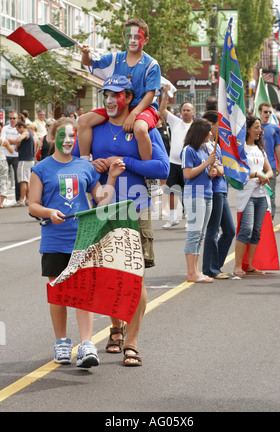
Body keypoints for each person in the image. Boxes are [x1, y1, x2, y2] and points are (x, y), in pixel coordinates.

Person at [83, 74, 169, 365]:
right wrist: (91, 166)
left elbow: (162, 168)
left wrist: (125, 162)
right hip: (104, 208)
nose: (109, 100)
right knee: (109, 274)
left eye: (115, 94)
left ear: (129, 98)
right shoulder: (95, 128)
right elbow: (79, 167)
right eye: (106, 94)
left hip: (137, 208)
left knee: (135, 275)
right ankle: (116, 328)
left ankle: (132, 341)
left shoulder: (144, 127)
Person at [28, 117, 125, 368]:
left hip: (83, 239)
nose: (69, 140)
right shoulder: (41, 169)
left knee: (85, 292)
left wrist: (111, 178)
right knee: (58, 293)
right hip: (54, 240)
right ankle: (61, 341)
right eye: (63, 135)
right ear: (51, 138)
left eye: (72, 136)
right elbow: (33, 205)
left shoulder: (85, 168)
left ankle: (86, 344)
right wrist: (49, 213)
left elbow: (101, 199)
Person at [78, 18, 161, 194]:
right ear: (123, 38)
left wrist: (134, 114)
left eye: (137, 36)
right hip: (120, 105)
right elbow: (88, 63)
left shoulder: (151, 64)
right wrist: (85, 53)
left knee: (139, 128)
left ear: (145, 40)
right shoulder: (115, 58)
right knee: (84, 120)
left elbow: (150, 94)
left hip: (143, 107)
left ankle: (150, 178)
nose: (132, 40)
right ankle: (85, 164)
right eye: (128, 36)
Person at [233, 116, 273, 277]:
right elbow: (238, 172)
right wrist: (257, 174)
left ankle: (249, 264)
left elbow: (269, 169)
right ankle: (237, 266)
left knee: (256, 230)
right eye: (256, 127)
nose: (259, 130)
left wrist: (266, 176)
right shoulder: (241, 149)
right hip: (247, 193)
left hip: (261, 195)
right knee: (246, 228)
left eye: (260, 127)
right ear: (248, 129)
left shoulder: (260, 149)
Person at [181, 119, 217, 283]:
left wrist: (212, 170)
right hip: (195, 194)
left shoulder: (204, 148)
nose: (211, 134)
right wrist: (206, 164)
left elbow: (203, 170)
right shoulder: (189, 150)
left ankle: (196, 270)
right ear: (200, 133)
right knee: (194, 233)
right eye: (208, 131)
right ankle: (191, 272)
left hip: (207, 193)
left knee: (201, 234)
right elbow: (188, 174)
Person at [201, 111, 235, 279]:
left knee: (229, 230)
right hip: (213, 191)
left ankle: (216, 265)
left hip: (222, 189)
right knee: (213, 231)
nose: (221, 130)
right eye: (219, 126)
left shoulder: (217, 144)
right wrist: (218, 170)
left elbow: (223, 169)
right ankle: (210, 269)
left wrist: (221, 170)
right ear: (212, 125)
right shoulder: (205, 145)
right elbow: (212, 169)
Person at [160, 84, 195, 228]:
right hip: (173, 162)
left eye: (188, 110)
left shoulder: (196, 126)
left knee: (188, 192)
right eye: (183, 110)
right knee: (172, 190)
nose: (185, 112)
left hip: (189, 164)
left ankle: (190, 220)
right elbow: (162, 110)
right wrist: (165, 95)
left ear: (193, 112)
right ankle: (173, 217)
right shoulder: (175, 122)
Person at [258, 102, 280, 220]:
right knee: (257, 193)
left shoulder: (275, 128)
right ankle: (259, 218)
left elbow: (277, 147)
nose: (267, 114)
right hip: (256, 165)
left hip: (271, 166)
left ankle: (270, 218)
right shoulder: (254, 126)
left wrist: (279, 165)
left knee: (270, 193)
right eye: (265, 112)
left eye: (269, 112)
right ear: (259, 112)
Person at [0, 110, 20, 203]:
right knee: (4, 178)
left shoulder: (19, 128)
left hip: (16, 155)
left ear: (17, 119)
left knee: (17, 178)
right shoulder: (5, 128)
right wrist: (13, 142)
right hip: (6, 155)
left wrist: (10, 141)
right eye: (10, 118)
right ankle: (3, 199)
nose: (12, 120)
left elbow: (19, 141)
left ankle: (18, 199)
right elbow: (3, 141)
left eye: (14, 118)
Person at [14, 122, 35, 206]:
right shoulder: (30, 134)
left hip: (24, 160)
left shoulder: (26, 133)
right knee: (27, 180)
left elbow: (19, 139)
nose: (18, 131)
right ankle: (28, 199)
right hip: (30, 159)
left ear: (21, 127)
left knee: (23, 180)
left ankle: (21, 200)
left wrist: (17, 144)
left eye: (18, 129)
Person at [0, 133, 14, 208]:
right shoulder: (4, 141)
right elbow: (11, 151)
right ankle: (1, 203)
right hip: (2, 161)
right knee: (3, 180)